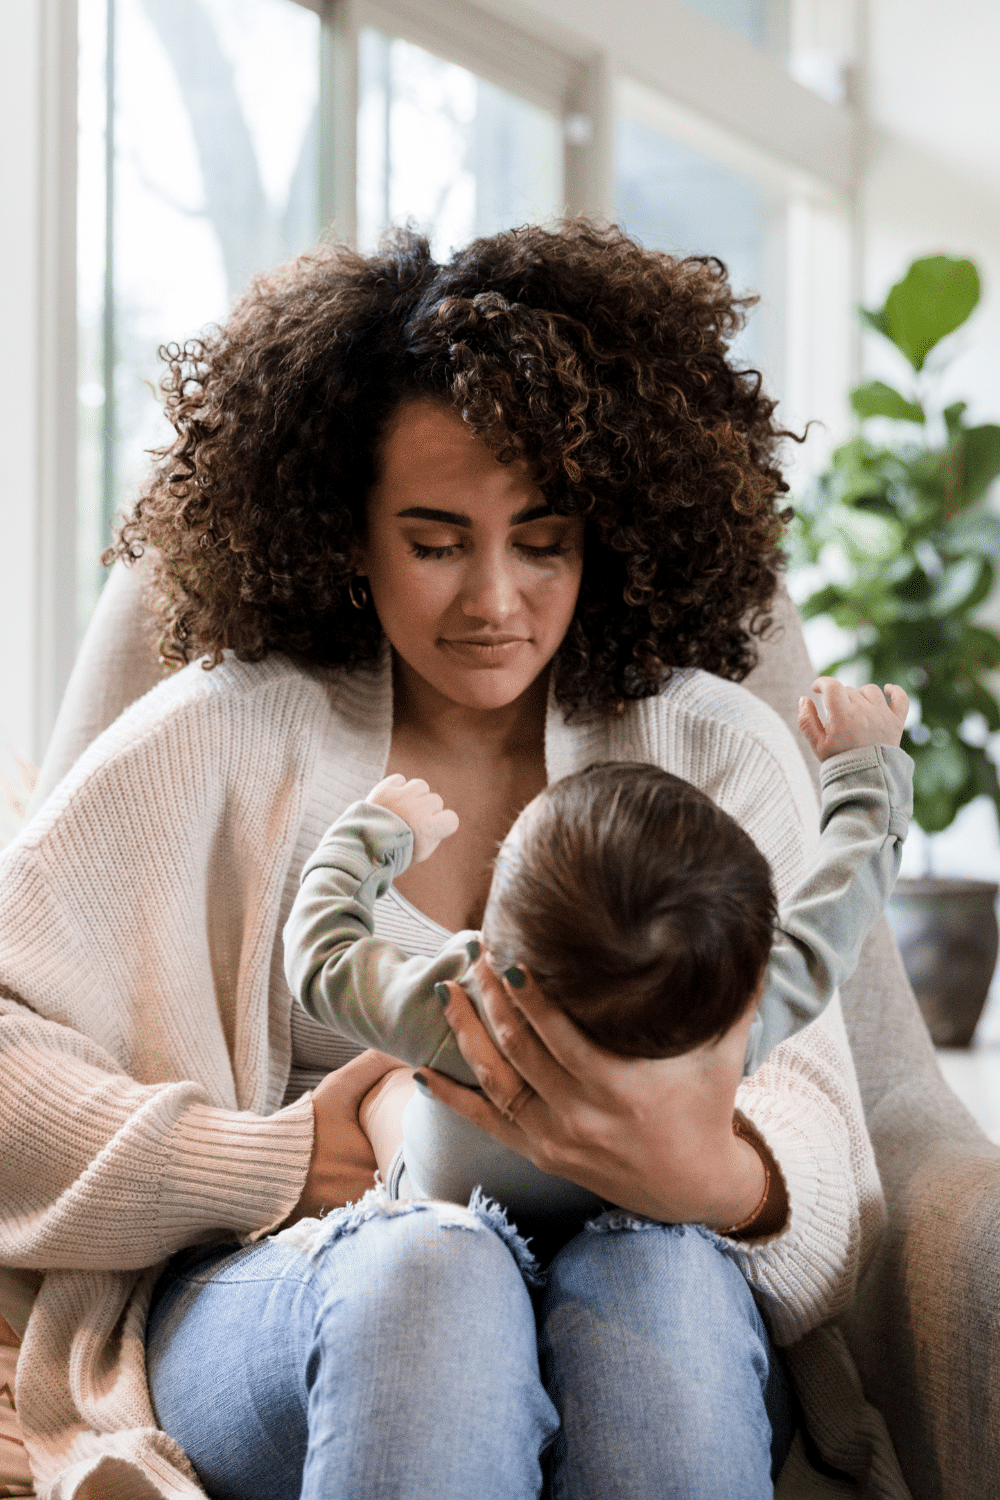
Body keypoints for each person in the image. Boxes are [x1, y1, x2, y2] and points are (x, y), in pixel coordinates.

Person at [0, 224, 885, 1500]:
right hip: (297, 1293)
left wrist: (717, 1182)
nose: (494, 600)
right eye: (433, 540)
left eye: (542, 539)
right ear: (342, 531)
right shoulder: (221, 729)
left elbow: (821, 1148)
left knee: (670, 1278)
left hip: (653, 1263)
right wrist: (276, 1158)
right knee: (433, 1268)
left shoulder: (717, 748)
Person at [282, 678, 911, 1232]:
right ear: (744, 965)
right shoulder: (731, 1018)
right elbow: (834, 914)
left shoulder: (466, 1009)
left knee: (388, 1090)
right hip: (625, 1226)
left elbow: (321, 957)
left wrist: (371, 837)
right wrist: (868, 773)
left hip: (453, 1211)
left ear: (493, 948)